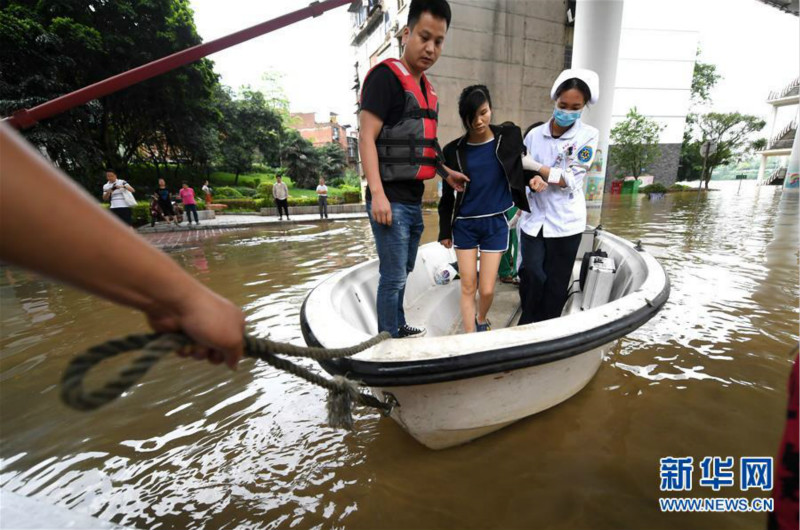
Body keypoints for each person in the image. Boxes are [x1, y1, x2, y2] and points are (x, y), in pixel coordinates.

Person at [0, 121, 244, 369]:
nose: (110, 179)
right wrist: (187, 299)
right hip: (115, 214)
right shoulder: (106, 187)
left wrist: (176, 300)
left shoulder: (123, 182)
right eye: (109, 177)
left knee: (127, 228)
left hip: (124, 212)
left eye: (112, 176)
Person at [359, 0, 468, 339]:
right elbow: (366, 137)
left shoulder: (426, 89)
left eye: (439, 41)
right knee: (393, 275)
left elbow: (424, 146)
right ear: (406, 34)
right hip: (388, 198)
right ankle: (387, 337)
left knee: (405, 269)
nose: (430, 48)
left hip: (413, 199)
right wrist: (377, 194)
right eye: (424, 37)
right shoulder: (385, 78)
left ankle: (398, 323)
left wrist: (446, 173)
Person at [438, 86, 530, 332]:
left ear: (490, 108)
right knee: (468, 286)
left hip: (495, 223)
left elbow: (523, 165)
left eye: (483, 112)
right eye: (471, 116)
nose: (478, 121)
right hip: (465, 224)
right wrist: (444, 230)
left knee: (487, 288)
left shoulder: (508, 137)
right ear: (463, 117)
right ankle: (471, 341)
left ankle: (481, 318)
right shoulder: (452, 150)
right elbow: (447, 195)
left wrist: (536, 179)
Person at [517, 69, 600, 325]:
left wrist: (537, 168)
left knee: (556, 281)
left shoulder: (588, 136)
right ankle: (528, 320)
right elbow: (522, 171)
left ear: (583, 107)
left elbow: (570, 179)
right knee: (531, 271)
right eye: (563, 105)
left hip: (566, 223)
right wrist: (532, 179)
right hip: (535, 218)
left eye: (575, 107)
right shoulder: (534, 135)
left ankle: (548, 326)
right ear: (555, 101)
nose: (567, 112)